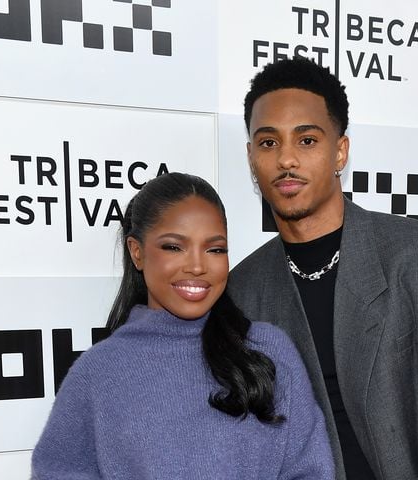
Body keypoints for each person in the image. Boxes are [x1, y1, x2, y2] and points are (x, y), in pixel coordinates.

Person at [228, 58, 418, 480]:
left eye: (307, 140)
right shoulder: (239, 292)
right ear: (251, 157)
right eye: (269, 142)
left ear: (340, 151)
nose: (286, 159)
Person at [31, 172, 334, 479]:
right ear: (137, 252)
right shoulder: (99, 372)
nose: (197, 266)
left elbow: (310, 470)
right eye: (174, 247)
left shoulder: (268, 350)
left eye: (215, 249)